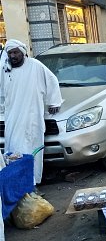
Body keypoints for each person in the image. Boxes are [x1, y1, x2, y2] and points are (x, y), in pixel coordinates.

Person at [0, 39, 62, 186]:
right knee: (14, 149)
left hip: (32, 116)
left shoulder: (35, 66)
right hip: (13, 116)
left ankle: (32, 182)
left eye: (16, 52)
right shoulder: (5, 69)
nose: (13, 56)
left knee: (32, 149)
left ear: (23, 52)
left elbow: (52, 80)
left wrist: (54, 102)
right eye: (10, 53)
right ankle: (17, 184)